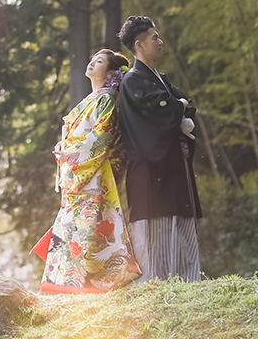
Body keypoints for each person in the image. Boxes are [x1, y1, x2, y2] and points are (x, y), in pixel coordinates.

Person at [33, 49, 141, 294]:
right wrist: (64, 148)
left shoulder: (106, 99)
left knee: (91, 230)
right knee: (74, 228)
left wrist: (70, 155)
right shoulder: (91, 101)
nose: (92, 62)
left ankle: (100, 286)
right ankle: (70, 286)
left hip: (93, 174)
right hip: (78, 172)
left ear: (111, 73)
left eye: (100, 61)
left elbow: (103, 136)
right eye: (92, 59)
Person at [118, 15, 202, 283]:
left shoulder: (160, 79)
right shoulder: (132, 80)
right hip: (150, 167)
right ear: (140, 45)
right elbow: (169, 108)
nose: (160, 41)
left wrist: (178, 107)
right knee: (154, 233)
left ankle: (188, 284)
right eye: (155, 37)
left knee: (182, 226)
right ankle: (153, 287)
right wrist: (178, 108)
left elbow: (185, 107)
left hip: (174, 164)